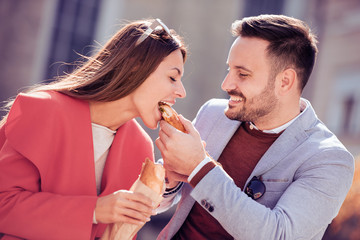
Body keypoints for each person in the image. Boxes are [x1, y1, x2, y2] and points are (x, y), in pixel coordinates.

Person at [155, 14, 354, 240]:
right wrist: (169, 181)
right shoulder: (212, 114)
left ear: (285, 81)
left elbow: (279, 235)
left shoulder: (329, 160)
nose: (226, 84)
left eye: (243, 74)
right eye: (229, 70)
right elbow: (161, 201)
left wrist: (199, 168)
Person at [0, 18, 187, 240]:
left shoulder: (141, 147)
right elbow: (5, 205)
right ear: (136, 66)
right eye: (172, 77)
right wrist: (96, 210)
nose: (181, 92)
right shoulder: (43, 109)